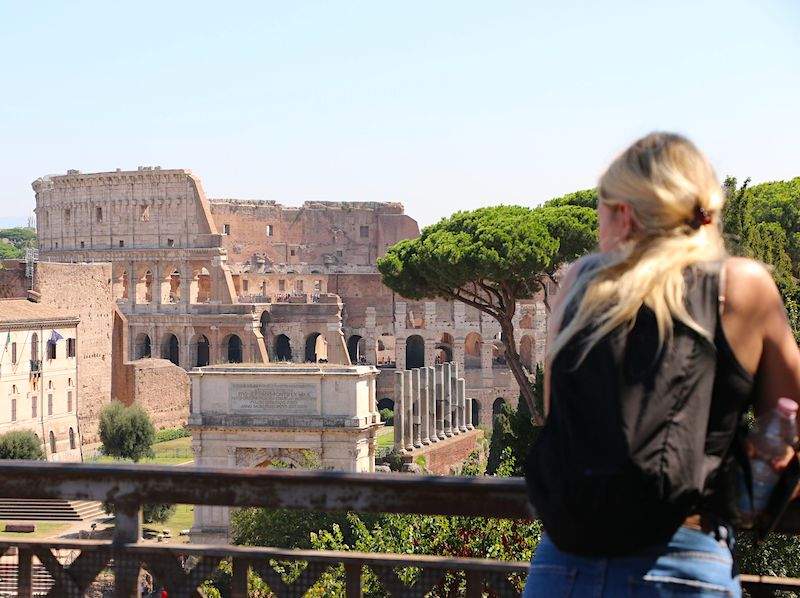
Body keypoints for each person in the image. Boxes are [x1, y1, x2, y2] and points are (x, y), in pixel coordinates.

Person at [524, 132, 800, 597]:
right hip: (684, 557)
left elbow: (559, 418)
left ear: (624, 213)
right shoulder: (740, 285)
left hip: (563, 562)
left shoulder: (579, 283)